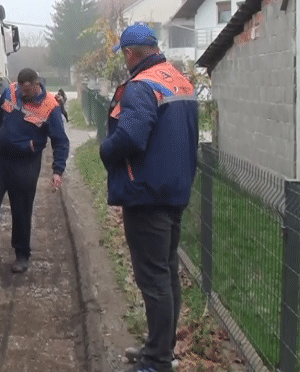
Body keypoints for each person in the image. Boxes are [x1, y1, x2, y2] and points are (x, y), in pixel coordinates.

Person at [98, 24, 199, 372]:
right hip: (174, 192)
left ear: (129, 54)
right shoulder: (179, 80)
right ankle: (161, 348)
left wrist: (104, 151)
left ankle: (157, 361)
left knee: (154, 280)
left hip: (147, 195)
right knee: (167, 274)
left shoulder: (141, 87)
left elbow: (131, 137)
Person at [0, 68, 69, 273]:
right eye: (20, 88)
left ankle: (22, 255)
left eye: (26, 90)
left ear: (35, 84)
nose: (22, 94)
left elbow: (60, 141)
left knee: (21, 209)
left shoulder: (50, 106)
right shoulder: (10, 92)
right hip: (2, 159)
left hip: (26, 162)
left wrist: (57, 171)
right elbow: (0, 118)